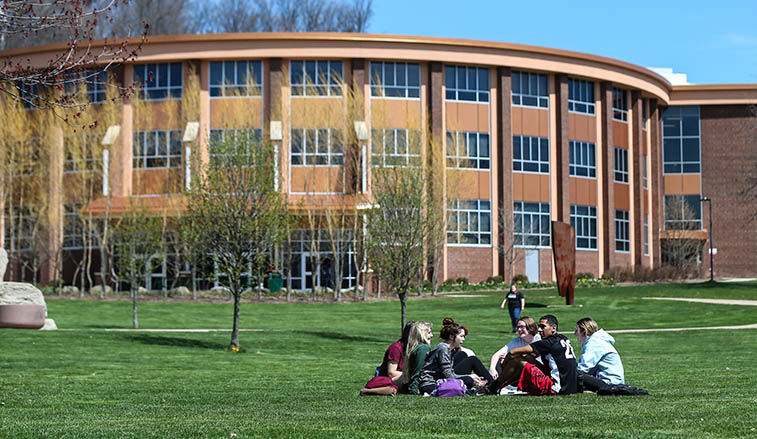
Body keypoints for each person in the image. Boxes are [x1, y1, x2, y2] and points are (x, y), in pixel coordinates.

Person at [496, 314, 578, 395]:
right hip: (570, 387)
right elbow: (532, 356)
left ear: (553, 328)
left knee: (519, 361)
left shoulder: (548, 342)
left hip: (556, 388)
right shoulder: (563, 338)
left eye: (543, 327)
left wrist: (504, 363)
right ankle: (501, 385)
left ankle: (493, 387)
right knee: (525, 359)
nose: (539, 330)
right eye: (539, 326)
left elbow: (512, 352)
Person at [416, 321, 498, 395]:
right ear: (452, 337)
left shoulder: (449, 349)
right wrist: (469, 376)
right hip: (430, 384)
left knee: (465, 357)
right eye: (461, 336)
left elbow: (449, 372)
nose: (463, 339)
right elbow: (448, 375)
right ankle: (494, 386)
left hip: (439, 380)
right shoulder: (443, 348)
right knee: (469, 380)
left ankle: (493, 385)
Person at [574, 317, 625, 391]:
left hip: (610, 384)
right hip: (613, 382)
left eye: (576, 330)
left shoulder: (594, 342)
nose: (574, 333)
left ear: (584, 331)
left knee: (575, 375)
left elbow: (583, 368)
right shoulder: (595, 340)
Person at [488, 316, 541, 380]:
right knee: (501, 359)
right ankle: (496, 382)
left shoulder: (539, 339)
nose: (519, 330)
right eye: (518, 327)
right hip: (521, 371)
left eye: (522, 327)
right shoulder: (517, 341)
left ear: (530, 327)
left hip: (538, 371)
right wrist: (492, 369)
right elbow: (497, 354)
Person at [397, 321, 433, 394]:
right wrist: (414, 389)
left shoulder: (416, 347)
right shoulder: (423, 348)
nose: (432, 335)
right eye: (429, 333)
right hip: (420, 386)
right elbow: (419, 371)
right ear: (421, 334)